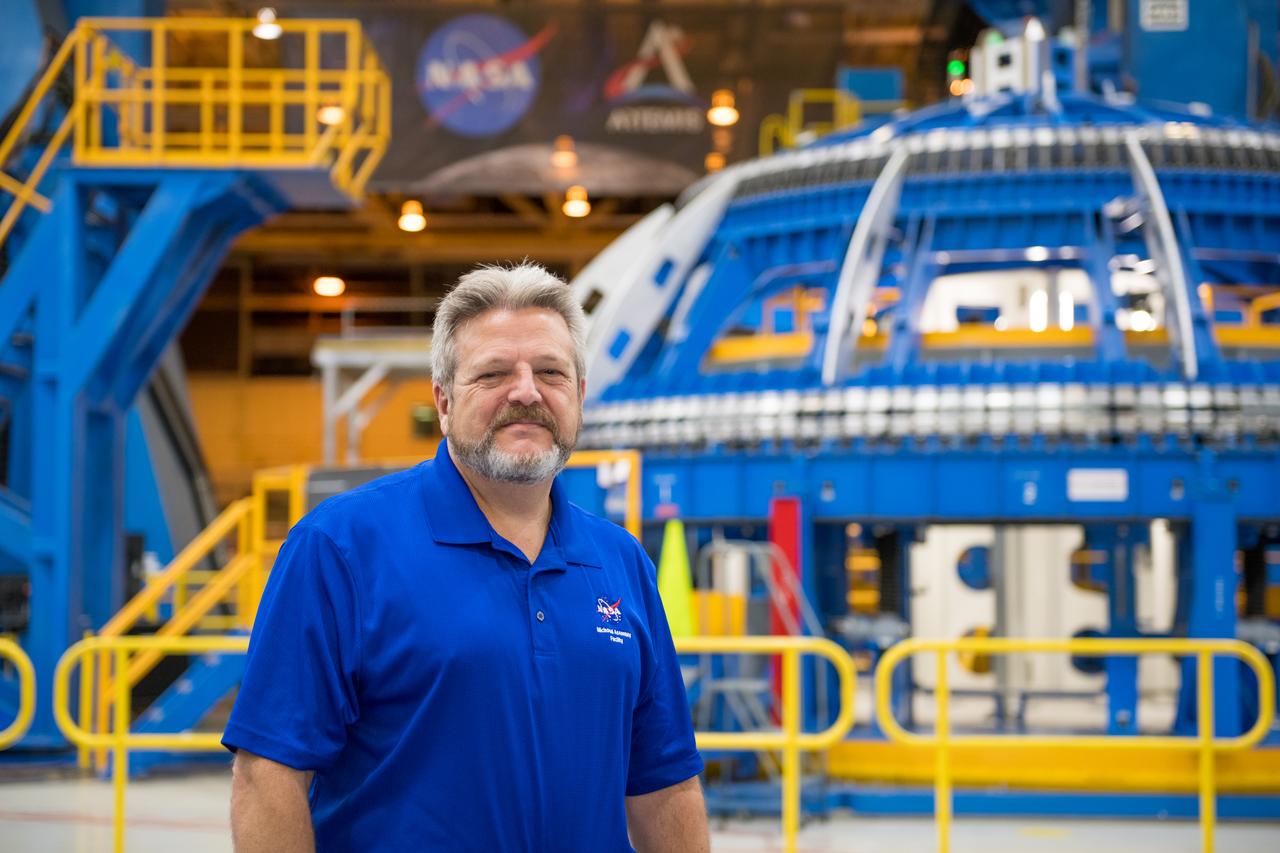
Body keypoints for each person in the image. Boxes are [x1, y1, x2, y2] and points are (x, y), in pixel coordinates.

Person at [224, 263, 709, 852]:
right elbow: (268, 773)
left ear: (579, 395)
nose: (526, 392)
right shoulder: (341, 547)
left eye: (551, 372)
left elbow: (665, 782)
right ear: (444, 400)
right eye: (493, 373)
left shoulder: (620, 561)